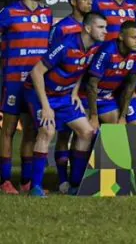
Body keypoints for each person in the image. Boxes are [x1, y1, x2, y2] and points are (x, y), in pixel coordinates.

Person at [24, 12, 107, 197]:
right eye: (101, 27)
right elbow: (36, 72)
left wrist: (74, 91)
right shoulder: (66, 45)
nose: (105, 32)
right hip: (40, 94)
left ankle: (75, 185)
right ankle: (35, 187)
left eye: (106, 28)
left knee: (86, 132)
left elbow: (81, 68)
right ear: (87, 28)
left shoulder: (95, 47)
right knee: (47, 131)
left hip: (63, 96)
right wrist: (46, 107)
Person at [0, 0, 53, 195]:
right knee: (9, 130)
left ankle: (26, 180)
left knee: (31, 130)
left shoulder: (46, 14)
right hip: (13, 80)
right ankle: (4, 180)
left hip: (35, 83)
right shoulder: (9, 13)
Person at [49, 0, 93, 193]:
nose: (89, 3)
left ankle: (77, 182)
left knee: (82, 134)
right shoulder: (63, 28)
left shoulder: (92, 27)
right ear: (74, 2)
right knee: (64, 136)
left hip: (81, 90)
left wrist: (76, 89)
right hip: (62, 90)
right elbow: (53, 60)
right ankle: (62, 180)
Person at [84, 21, 136, 129]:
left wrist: (123, 117)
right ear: (121, 36)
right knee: (87, 132)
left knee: (117, 129)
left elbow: (130, 86)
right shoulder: (107, 51)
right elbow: (91, 85)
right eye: (134, 37)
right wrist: (94, 116)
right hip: (86, 97)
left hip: (106, 98)